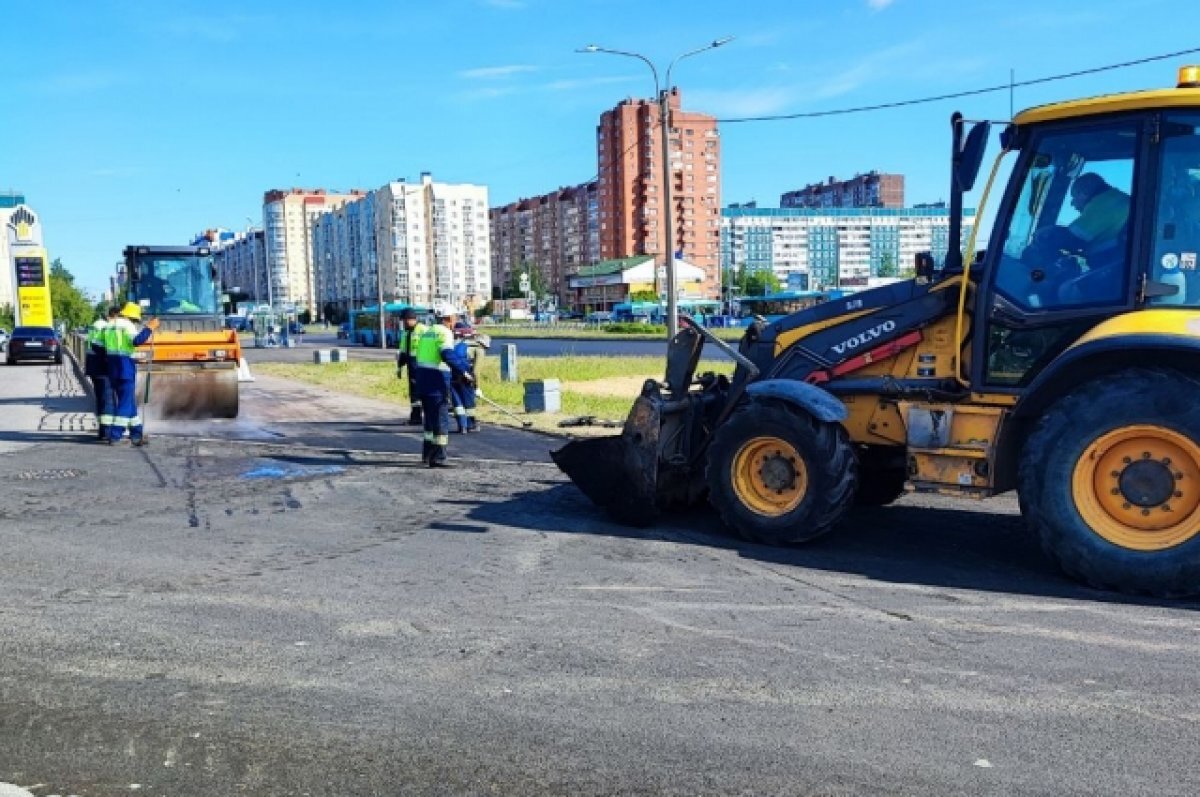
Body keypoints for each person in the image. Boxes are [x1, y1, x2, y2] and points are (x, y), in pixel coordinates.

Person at [413, 306, 473, 467]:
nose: (456, 321)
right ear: (449, 318)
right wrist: (463, 372)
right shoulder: (444, 332)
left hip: (423, 381)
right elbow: (447, 354)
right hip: (436, 382)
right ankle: (439, 457)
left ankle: (427, 454)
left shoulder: (427, 332)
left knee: (429, 422)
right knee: (441, 419)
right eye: (455, 317)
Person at [102, 302, 158, 446]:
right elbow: (136, 341)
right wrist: (150, 328)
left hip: (113, 368)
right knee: (125, 405)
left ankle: (136, 434)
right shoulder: (127, 325)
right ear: (131, 317)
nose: (135, 322)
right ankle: (115, 434)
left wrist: (134, 357)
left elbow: (116, 347)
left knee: (129, 404)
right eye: (135, 320)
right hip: (125, 368)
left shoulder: (109, 325)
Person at [86, 305, 120, 440]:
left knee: (102, 399)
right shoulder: (104, 326)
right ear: (114, 316)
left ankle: (103, 430)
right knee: (107, 399)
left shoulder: (97, 324)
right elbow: (100, 347)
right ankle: (107, 431)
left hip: (94, 366)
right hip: (101, 368)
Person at [395, 308, 428, 425]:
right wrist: (399, 367)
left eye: (404, 321)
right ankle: (416, 417)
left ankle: (423, 417)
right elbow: (403, 352)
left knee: (423, 392)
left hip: (422, 367)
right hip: (412, 367)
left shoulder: (423, 330)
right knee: (414, 393)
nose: (403, 323)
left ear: (411, 319)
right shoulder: (406, 332)